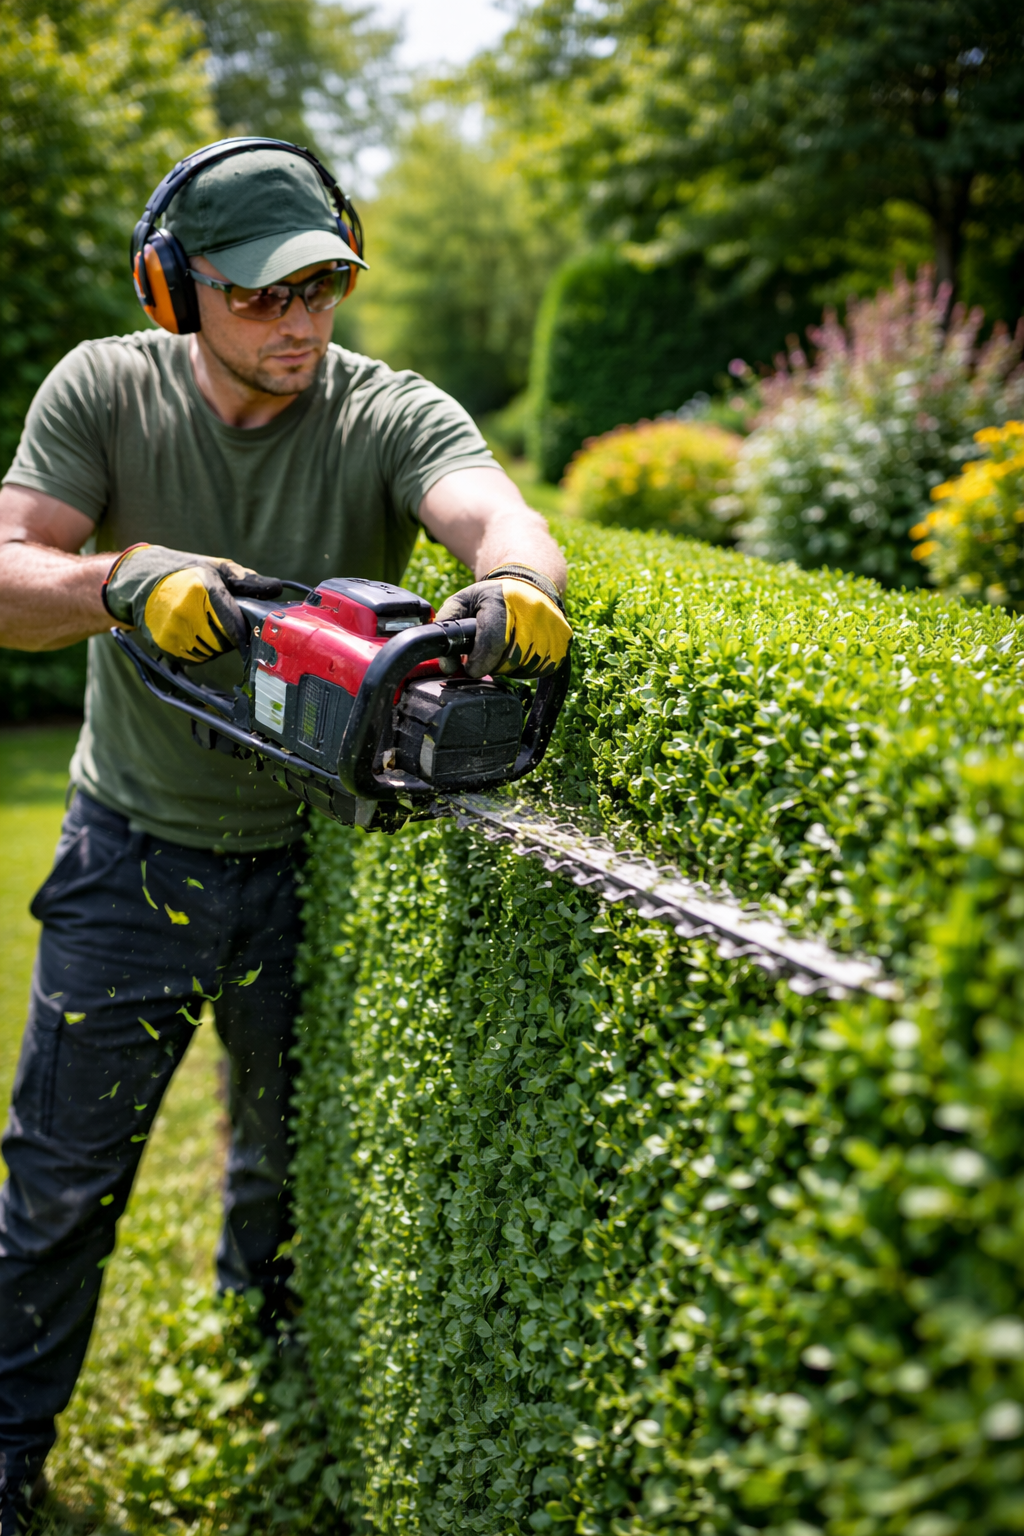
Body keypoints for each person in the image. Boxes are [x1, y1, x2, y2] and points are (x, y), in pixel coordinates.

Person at [0, 138, 571, 1531]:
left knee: (280, 1163)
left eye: (320, 287)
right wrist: (124, 579)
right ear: (175, 291)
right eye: (260, 297)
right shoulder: (103, 390)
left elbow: (492, 504)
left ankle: (253, 1367)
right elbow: (10, 576)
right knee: (59, 1189)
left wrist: (514, 576)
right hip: (129, 848)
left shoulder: (383, 410)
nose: (298, 322)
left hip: (314, 861)